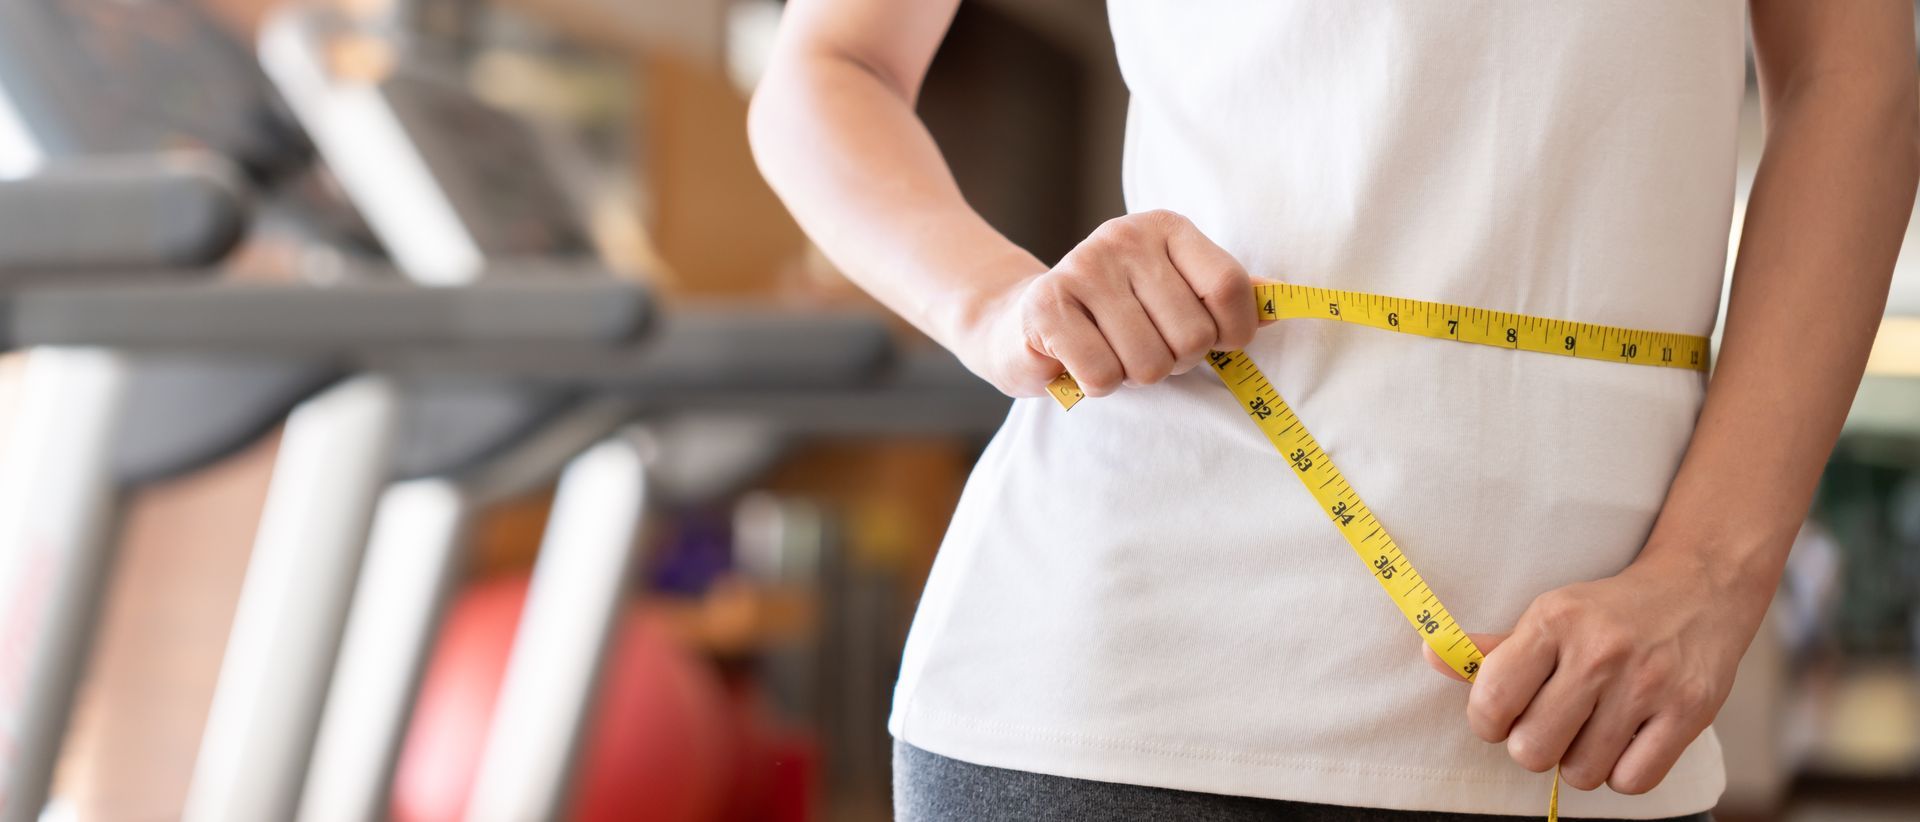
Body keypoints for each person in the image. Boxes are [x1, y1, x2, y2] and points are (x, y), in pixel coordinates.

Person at [750, 2, 1920, 819]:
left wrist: (1715, 573)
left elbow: (1855, 82)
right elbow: (831, 63)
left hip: (1590, 728)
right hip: (1111, 693)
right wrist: (1003, 307)